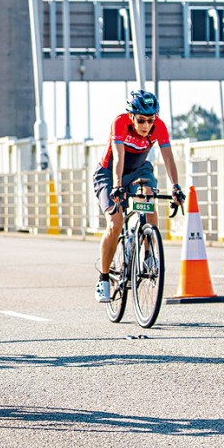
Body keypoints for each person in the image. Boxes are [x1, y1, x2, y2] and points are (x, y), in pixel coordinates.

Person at [93, 90, 185, 303]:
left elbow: (168, 157)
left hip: (139, 170)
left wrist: (176, 187)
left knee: (149, 197)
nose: (146, 126)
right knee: (115, 224)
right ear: (131, 116)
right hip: (109, 173)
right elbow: (118, 157)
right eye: (141, 120)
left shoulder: (158, 127)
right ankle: (104, 278)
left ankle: (149, 254)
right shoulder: (119, 123)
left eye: (150, 120)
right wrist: (117, 186)